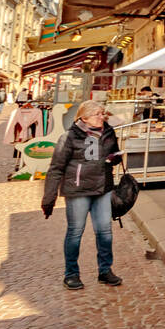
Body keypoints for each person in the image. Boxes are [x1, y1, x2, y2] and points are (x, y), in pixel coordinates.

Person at [42, 101, 123, 289]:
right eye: (96, 114)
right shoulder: (69, 137)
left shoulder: (109, 133)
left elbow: (114, 154)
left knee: (105, 232)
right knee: (75, 232)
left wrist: (115, 158)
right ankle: (71, 274)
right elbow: (56, 169)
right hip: (78, 190)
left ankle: (105, 271)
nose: (101, 117)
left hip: (102, 188)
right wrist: (49, 198)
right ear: (83, 118)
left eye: (102, 113)